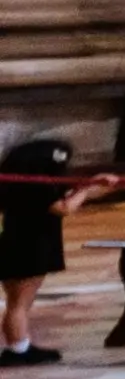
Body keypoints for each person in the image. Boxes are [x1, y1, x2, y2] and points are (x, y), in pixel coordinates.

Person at [0, 138, 69, 366]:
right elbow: (62, 208)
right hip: (31, 248)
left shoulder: (17, 185)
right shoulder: (36, 186)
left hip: (15, 244)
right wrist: (88, 193)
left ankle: (19, 345)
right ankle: (18, 350)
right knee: (20, 303)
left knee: (15, 302)